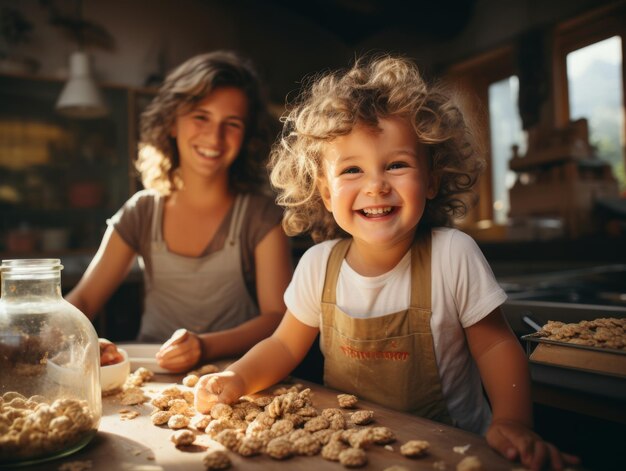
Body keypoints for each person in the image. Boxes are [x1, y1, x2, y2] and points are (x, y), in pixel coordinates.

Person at [194, 55, 580, 471]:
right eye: (352, 170)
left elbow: (495, 345)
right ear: (325, 192)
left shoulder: (453, 254)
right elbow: (284, 345)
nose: (376, 185)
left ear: (432, 179)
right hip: (352, 451)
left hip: (452, 453)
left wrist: (512, 421)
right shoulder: (317, 265)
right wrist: (237, 378)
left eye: (396, 165)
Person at [66, 51, 292, 372]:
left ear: (247, 137)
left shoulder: (260, 216)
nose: (214, 137)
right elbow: (84, 301)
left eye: (232, 124)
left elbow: (277, 318)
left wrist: (204, 346)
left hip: (235, 377)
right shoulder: (142, 211)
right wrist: (74, 334)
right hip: (149, 375)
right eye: (201, 117)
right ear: (172, 122)